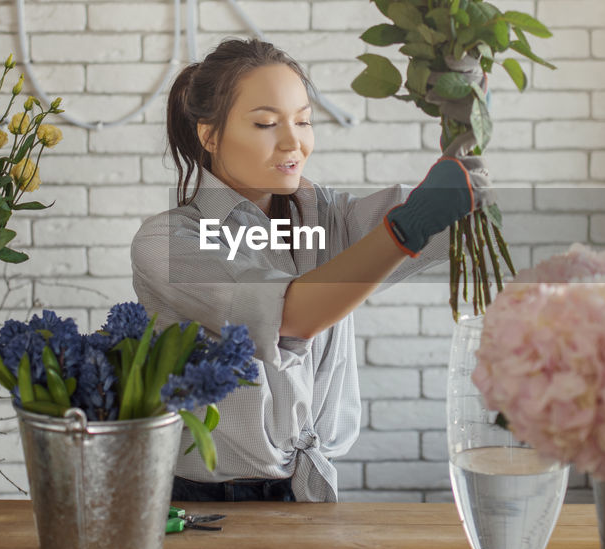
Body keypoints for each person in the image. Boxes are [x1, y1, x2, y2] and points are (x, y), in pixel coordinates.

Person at [131, 38, 493, 502]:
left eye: (303, 120)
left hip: (308, 495)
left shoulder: (326, 215)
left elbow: (459, 225)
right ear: (210, 135)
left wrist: (465, 136)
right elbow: (290, 316)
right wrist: (404, 230)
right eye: (265, 123)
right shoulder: (166, 243)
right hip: (205, 502)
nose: (293, 142)